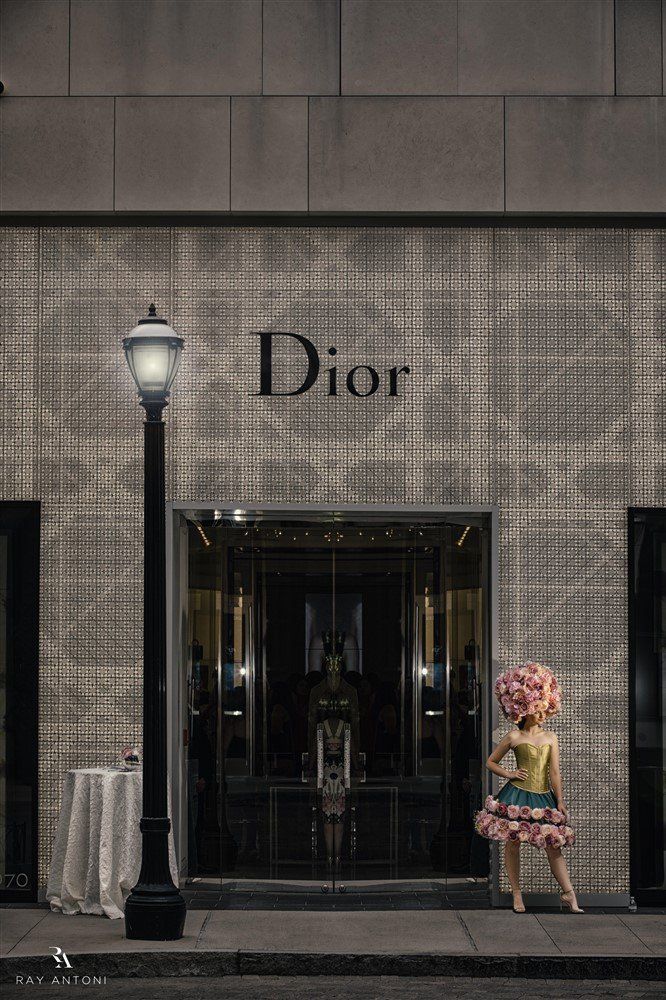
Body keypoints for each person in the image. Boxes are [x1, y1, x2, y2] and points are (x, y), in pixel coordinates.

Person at [475, 661, 582, 914]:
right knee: (513, 842)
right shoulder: (514, 737)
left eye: (545, 705)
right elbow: (490, 762)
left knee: (553, 846)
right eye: (538, 707)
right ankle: (516, 894)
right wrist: (510, 773)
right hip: (517, 794)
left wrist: (560, 800)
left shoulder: (551, 737)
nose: (543, 711)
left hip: (543, 796)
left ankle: (569, 894)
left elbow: (554, 772)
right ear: (523, 708)